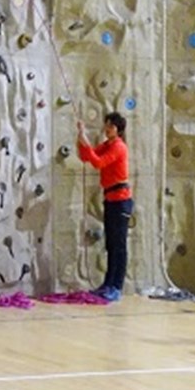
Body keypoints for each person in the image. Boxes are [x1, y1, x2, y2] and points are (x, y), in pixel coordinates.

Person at [76, 111, 132, 302]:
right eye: (106, 125)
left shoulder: (118, 147)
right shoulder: (107, 145)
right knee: (110, 244)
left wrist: (85, 142)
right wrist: (81, 137)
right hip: (110, 198)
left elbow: (99, 163)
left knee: (119, 245)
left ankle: (117, 286)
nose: (107, 128)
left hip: (121, 200)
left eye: (111, 126)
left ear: (118, 129)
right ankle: (108, 283)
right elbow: (87, 156)